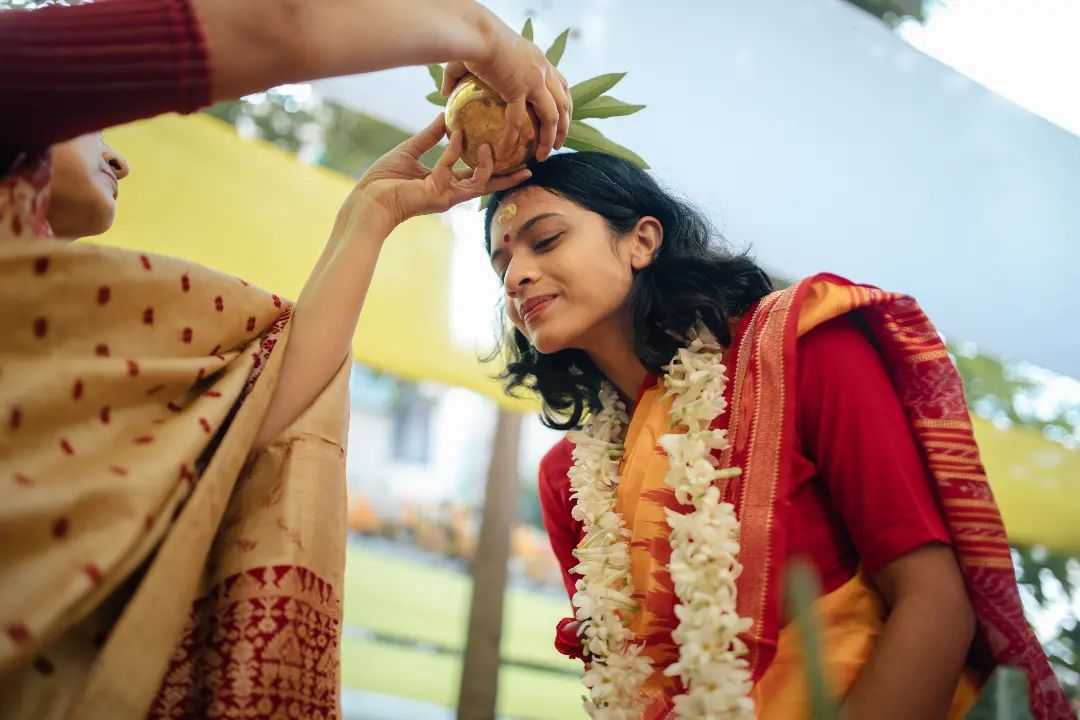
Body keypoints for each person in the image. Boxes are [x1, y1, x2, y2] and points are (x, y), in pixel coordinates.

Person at [0, 1, 566, 717]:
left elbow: (254, 421)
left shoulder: (59, 319)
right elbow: (280, 22)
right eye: (96, 125)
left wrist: (373, 215)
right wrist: (484, 35)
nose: (119, 155)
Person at [482, 151, 1071, 719]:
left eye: (547, 239)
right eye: (501, 264)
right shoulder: (569, 479)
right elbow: (626, 685)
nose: (517, 276)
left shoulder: (803, 353)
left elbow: (936, 602)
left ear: (642, 240)